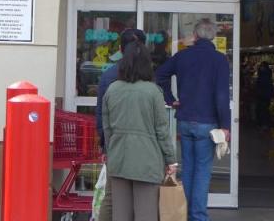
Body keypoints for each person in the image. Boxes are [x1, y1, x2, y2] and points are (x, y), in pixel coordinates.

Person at [156, 19, 231, 221]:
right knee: (203, 171)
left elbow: (160, 74)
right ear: (213, 36)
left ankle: (186, 213)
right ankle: (198, 216)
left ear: (195, 36)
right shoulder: (219, 60)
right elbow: (222, 95)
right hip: (208, 123)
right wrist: (225, 126)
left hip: (186, 120)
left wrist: (171, 100)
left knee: (188, 169)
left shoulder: (182, 56)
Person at [102, 40, 178, 221]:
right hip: (147, 162)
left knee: (120, 214)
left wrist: (111, 153)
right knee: (146, 214)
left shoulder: (112, 90)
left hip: (119, 160)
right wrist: (170, 160)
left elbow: (107, 129)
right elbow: (161, 129)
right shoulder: (153, 91)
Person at [94, 28, 147, 221]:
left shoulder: (109, 76)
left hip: (116, 143)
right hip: (143, 146)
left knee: (112, 194)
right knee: (141, 196)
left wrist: (104, 144)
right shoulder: (147, 76)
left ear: (120, 48)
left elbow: (101, 113)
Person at [256, 61, 274, 129]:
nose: (260, 67)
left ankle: (263, 124)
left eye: (261, 66)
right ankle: (265, 123)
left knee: (262, 109)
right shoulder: (268, 73)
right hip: (266, 95)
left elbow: (261, 84)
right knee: (265, 109)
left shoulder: (263, 75)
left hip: (262, 95)